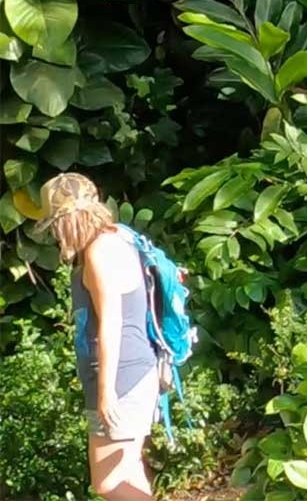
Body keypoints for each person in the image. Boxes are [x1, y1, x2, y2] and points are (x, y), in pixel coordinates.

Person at [39, 173, 158, 501]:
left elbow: (112, 323)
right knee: (128, 472)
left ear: (62, 221)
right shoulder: (118, 236)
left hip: (121, 378)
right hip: (133, 372)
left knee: (108, 483)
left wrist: (106, 394)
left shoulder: (99, 252)